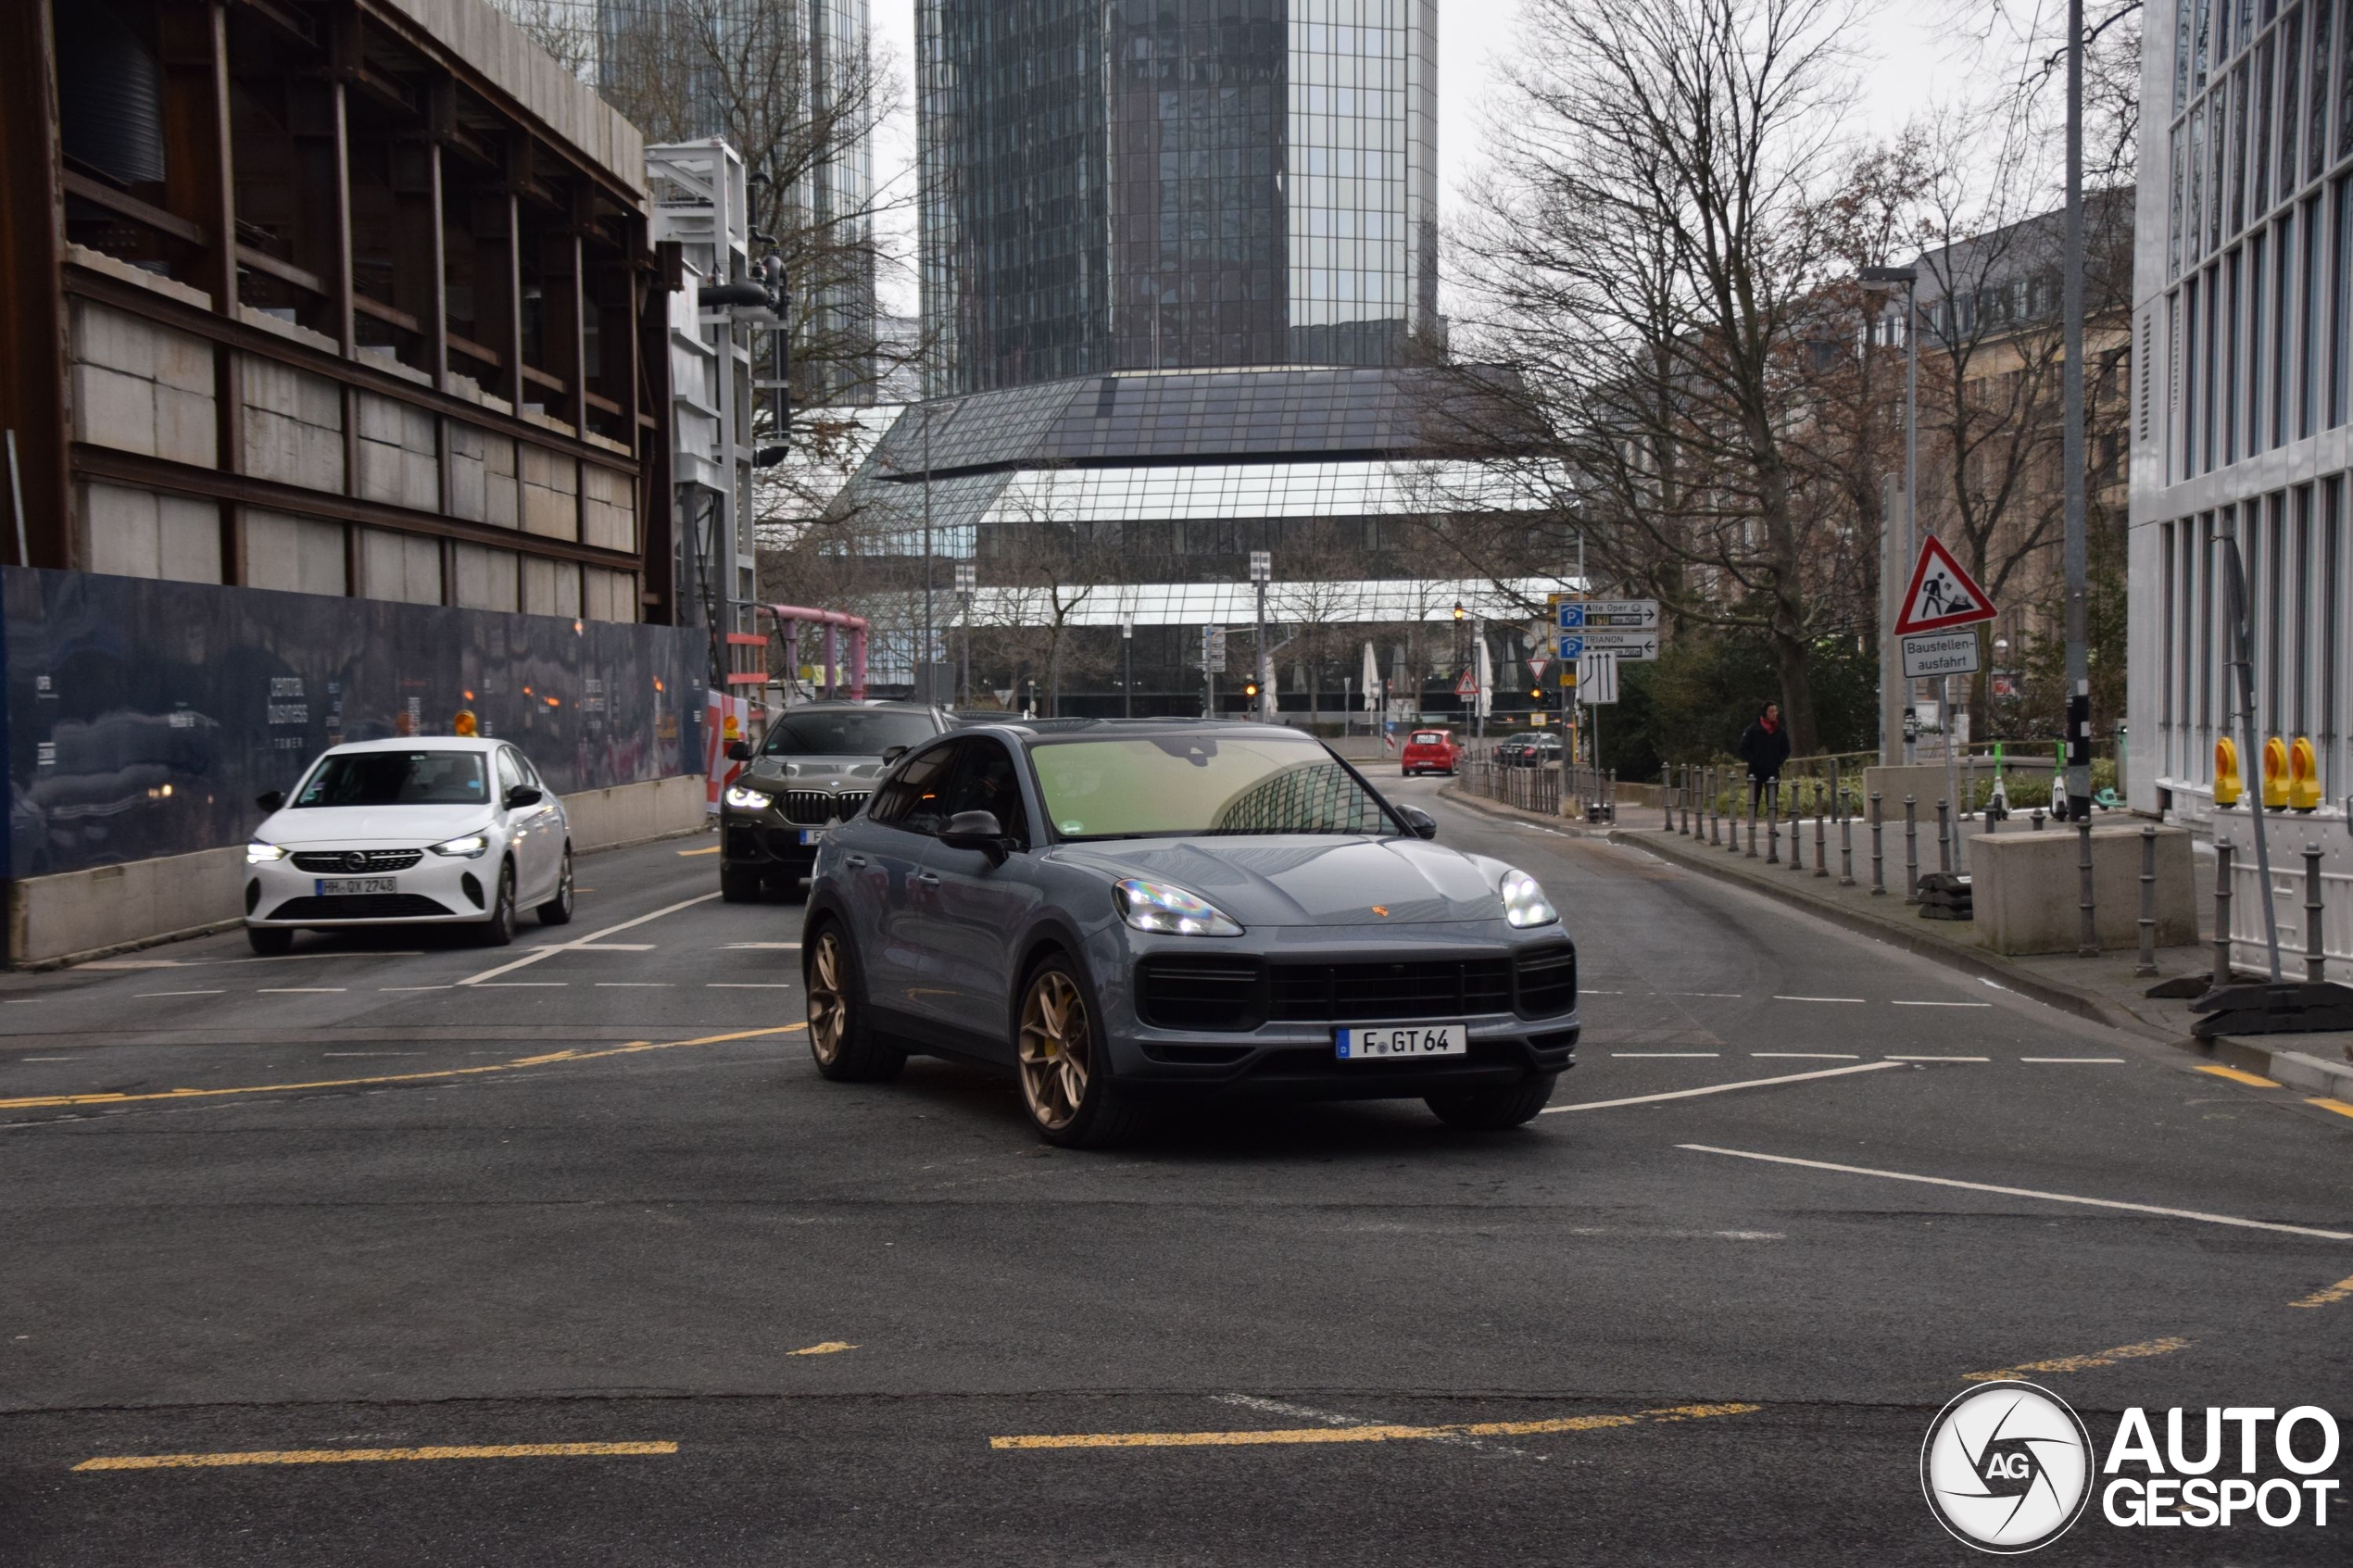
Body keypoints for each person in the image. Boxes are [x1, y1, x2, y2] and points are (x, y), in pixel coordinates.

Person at [1737, 701, 1792, 812]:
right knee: (1754, 800)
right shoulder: (1752, 729)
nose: (1774, 714)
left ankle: (1772, 826)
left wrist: (1778, 761)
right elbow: (1743, 748)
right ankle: (1752, 825)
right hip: (1755, 770)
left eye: (1775, 711)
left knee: (1772, 799)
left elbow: (1786, 749)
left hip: (1772, 770)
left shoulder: (1779, 731)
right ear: (1765, 713)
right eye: (1771, 711)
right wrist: (1754, 760)